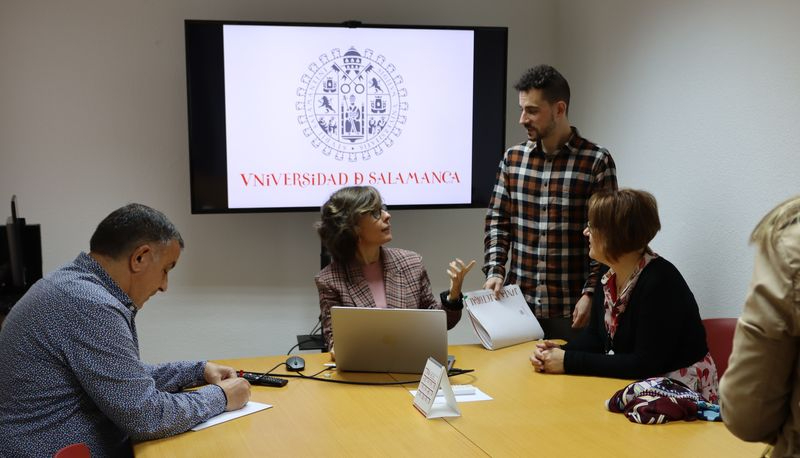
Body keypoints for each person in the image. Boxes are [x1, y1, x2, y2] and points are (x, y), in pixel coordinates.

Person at [0, 203, 251, 457]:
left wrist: (197, 371)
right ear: (139, 257)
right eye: (166, 269)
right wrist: (220, 397)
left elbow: (121, 378)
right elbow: (145, 416)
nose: (164, 285)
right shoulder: (90, 303)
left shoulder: (73, 285)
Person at [530, 189, 718, 403]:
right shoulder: (608, 272)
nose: (585, 232)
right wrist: (556, 352)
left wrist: (567, 361)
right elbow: (596, 338)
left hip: (680, 393)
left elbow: (644, 364)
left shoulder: (661, 282)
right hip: (643, 387)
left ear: (615, 235)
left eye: (592, 226)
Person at [483, 64, 618, 341]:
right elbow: (498, 220)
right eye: (522, 109)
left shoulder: (595, 161)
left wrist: (591, 293)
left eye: (532, 110)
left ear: (559, 109)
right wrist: (495, 268)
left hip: (573, 309)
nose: (522, 119)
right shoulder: (513, 160)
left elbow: (605, 235)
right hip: (518, 306)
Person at [315, 186, 475, 351]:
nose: (387, 216)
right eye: (376, 213)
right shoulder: (329, 280)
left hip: (412, 365)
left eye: (383, 209)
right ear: (352, 227)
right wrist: (338, 350)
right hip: (363, 370)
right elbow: (334, 340)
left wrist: (453, 295)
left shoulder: (411, 263)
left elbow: (439, 324)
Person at [720, 196, 800, 455]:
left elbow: (748, 415)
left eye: (594, 225)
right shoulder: (603, 286)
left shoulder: (790, 242)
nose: (587, 230)